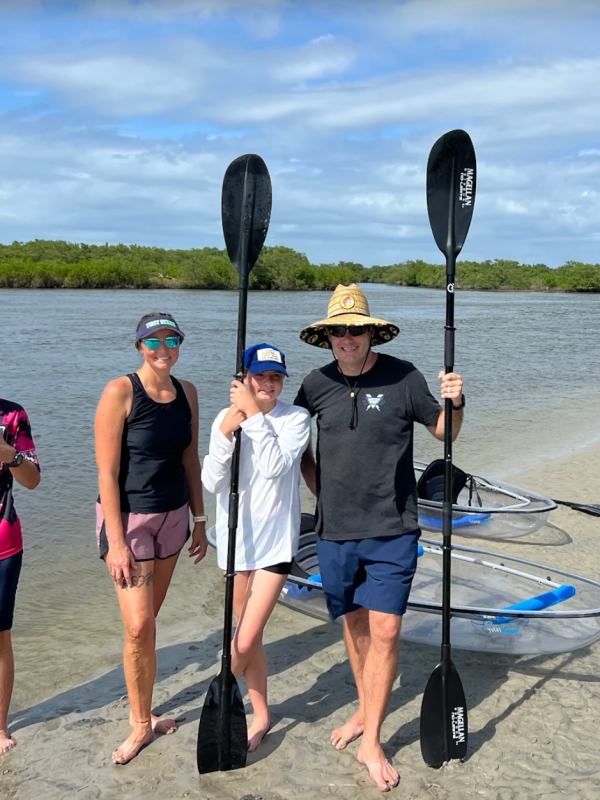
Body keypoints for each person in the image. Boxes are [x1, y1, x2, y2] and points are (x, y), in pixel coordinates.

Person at [295, 284, 465, 792]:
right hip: (335, 531)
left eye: (357, 329)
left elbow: (445, 432)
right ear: (327, 336)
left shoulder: (404, 376)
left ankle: (373, 740)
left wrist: (457, 401)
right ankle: (365, 713)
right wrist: (319, 490)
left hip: (393, 527)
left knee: (387, 632)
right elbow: (291, 442)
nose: (349, 339)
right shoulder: (313, 383)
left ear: (372, 332)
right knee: (355, 630)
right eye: (339, 331)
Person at [95, 312, 208, 765]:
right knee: (139, 627)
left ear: (180, 342)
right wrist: (117, 541)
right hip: (130, 522)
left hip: (174, 518)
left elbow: (190, 460)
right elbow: (106, 471)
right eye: (153, 340)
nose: (163, 348)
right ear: (139, 345)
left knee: (148, 624)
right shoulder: (120, 391)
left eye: (172, 338)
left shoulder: (188, 392)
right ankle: (141, 724)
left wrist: (200, 520)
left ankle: (144, 707)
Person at [202, 343, 310, 751]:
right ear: (245, 378)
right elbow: (212, 480)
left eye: (276, 377)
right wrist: (227, 434)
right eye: (260, 376)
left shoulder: (296, 419)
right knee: (254, 635)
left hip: (276, 544)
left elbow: (275, 468)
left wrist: (253, 418)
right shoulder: (224, 419)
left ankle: (220, 692)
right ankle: (261, 714)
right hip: (236, 542)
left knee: (243, 641)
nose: (268, 383)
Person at [0, 399, 40, 754]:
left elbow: (33, 481)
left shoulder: (12, 415)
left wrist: (8, 454)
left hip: (3, 542)